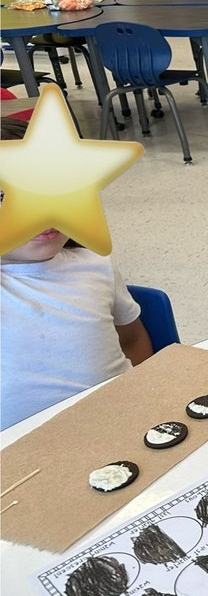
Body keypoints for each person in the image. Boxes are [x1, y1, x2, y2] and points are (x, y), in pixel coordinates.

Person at [0, 117, 153, 432]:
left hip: (123, 429)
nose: (41, 210)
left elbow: (133, 337)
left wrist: (144, 397)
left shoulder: (95, 265)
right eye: (6, 196)